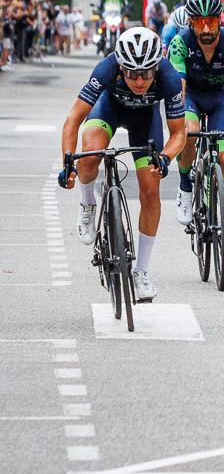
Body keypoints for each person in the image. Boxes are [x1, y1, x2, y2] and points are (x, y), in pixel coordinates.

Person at [59, 28, 186, 300]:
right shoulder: (106, 69)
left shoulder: (170, 78)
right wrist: (68, 162)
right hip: (109, 109)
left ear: (156, 67)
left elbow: (179, 133)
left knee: (151, 188)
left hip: (145, 121)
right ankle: (87, 204)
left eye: (146, 73)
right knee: (90, 154)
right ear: (120, 67)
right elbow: (73, 119)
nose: (139, 81)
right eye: (131, 73)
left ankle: (141, 271)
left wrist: (165, 158)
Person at [169, 0, 224, 260]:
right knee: (191, 133)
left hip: (221, 98)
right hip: (192, 97)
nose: (205, 28)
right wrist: (180, 125)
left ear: (220, 19)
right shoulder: (179, 43)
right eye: (198, 21)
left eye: (210, 20)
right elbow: (179, 89)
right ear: (191, 22)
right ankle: (185, 185)